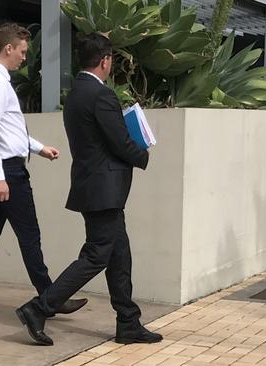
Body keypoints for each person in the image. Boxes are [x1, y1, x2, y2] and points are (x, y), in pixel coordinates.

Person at [14, 33, 163, 346]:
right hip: (103, 190)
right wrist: (143, 154)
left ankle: (128, 322)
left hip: (92, 186)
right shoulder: (101, 95)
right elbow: (120, 142)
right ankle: (39, 307)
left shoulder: (76, 93)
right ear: (105, 60)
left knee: (119, 255)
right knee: (96, 255)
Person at [0, 23, 87, 316]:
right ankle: (51, 299)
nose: (25, 57)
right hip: (7, 172)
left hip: (2, 168)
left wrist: (38, 148)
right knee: (29, 236)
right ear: (8, 48)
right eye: (23, 51)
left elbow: (7, 129)